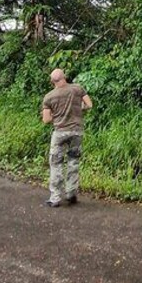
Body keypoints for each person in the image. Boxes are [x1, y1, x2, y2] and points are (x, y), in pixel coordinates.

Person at [41, 68, 93, 207]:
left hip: (60, 133)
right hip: (77, 132)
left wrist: (56, 115)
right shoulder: (77, 89)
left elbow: (46, 120)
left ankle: (55, 197)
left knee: (56, 164)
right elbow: (89, 104)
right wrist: (77, 109)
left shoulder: (49, 97)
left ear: (52, 81)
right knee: (73, 162)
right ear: (65, 77)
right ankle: (71, 193)